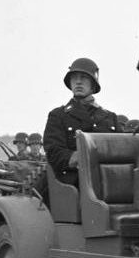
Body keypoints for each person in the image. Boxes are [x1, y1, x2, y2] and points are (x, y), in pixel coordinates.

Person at [43, 58, 123, 186]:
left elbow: (121, 152)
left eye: (84, 77)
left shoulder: (110, 117)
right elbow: (54, 152)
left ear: (93, 84)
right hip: (74, 185)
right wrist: (79, 158)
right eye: (74, 78)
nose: (78, 82)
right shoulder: (58, 116)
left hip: (109, 183)